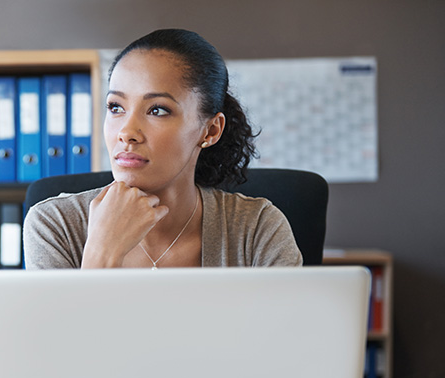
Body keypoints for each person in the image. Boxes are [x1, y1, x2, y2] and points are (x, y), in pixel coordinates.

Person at [23, 28, 302, 270]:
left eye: (157, 110)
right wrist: (102, 254)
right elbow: (60, 334)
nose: (127, 133)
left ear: (211, 130)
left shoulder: (256, 229)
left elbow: (290, 331)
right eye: (115, 107)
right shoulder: (56, 225)